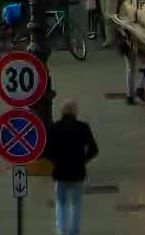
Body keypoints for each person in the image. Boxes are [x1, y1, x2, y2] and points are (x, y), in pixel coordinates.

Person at [43, 100, 98, 235]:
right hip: (78, 172)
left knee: (61, 203)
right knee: (76, 204)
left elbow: (46, 151)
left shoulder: (54, 128)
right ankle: (74, 231)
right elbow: (94, 149)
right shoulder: (83, 127)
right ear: (75, 112)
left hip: (60, 172)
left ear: (62, 112)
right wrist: (83, 160)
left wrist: (55, 161)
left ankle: (62, 230)